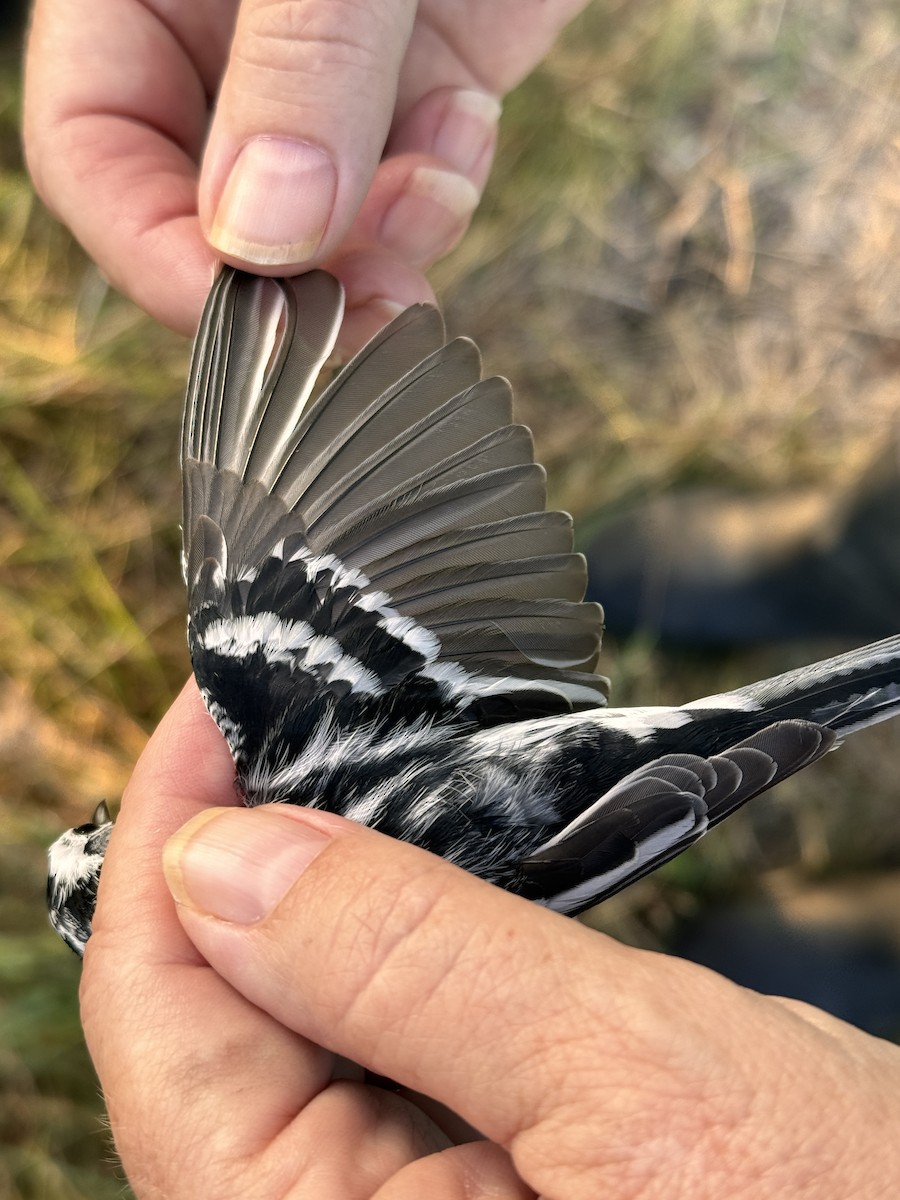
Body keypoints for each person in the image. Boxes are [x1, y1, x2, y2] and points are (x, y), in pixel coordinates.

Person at [22, 3, 900, 1194]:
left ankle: (854, 560)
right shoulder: (278, 746)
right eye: (114, 850)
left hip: (593, 808)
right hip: (560, 776)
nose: (134, 840)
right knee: (250, 626)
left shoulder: (294, 979)